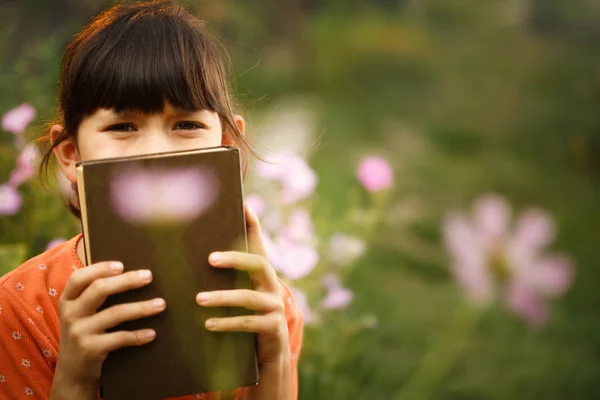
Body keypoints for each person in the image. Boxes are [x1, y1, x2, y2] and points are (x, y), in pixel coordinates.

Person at [0, 2, 303, 399]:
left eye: (187, 125)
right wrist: (75, 379)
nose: (157, 153)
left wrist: (274, 360)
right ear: (71, 155)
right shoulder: (19, 310)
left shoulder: (261, 303)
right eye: (123, 126)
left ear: (227, 142)